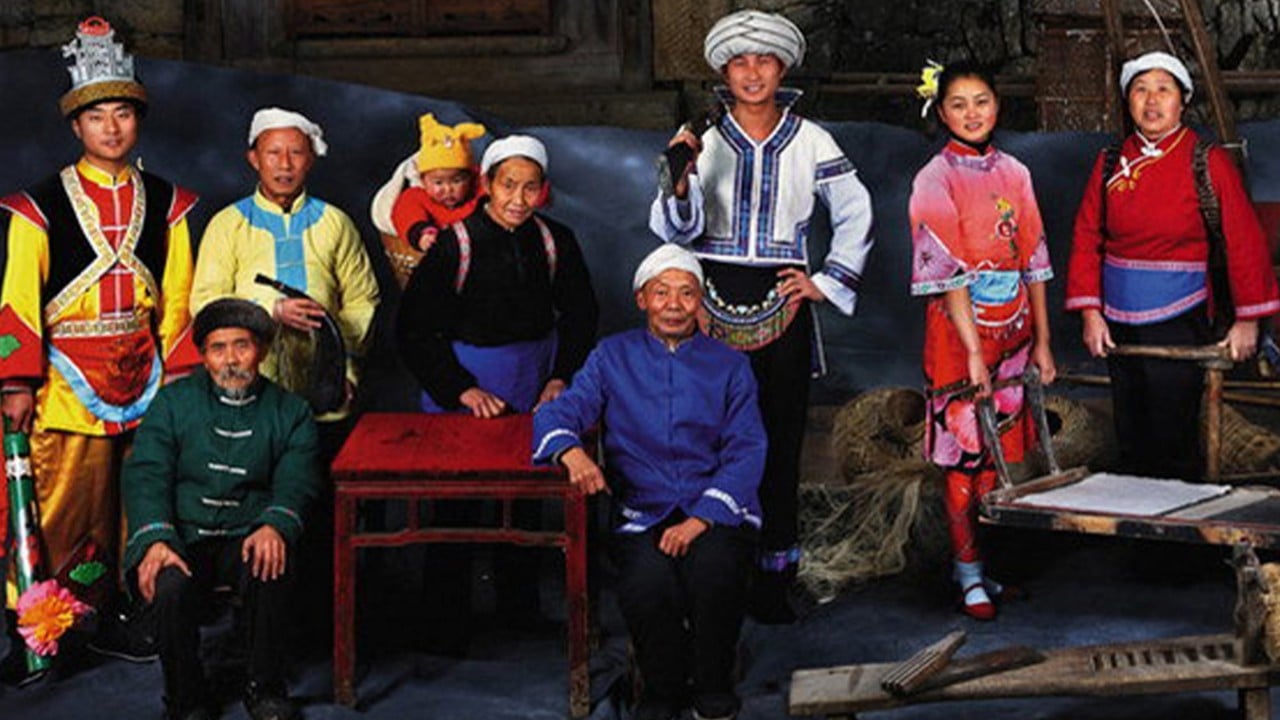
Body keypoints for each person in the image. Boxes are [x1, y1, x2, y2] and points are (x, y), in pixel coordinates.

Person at [648, 9, 874, 622]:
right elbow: (672, 230)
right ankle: (708, 571)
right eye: (740, 62)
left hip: (783, 303)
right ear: (723, 72)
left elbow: (855, 210)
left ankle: (772, 578)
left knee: (776, 440)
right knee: (702, 436)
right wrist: (680, 180)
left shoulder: (811, 139)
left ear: (783, 69)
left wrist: (825, 281)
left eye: (765, 61)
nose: (752, 73)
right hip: (708, 301)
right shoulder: (702, 138)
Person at [0, 16, 199, 653]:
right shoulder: (36, 207)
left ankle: (128, 615)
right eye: (96, 117)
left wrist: (181, 377)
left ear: (138, 120)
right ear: (76, 126)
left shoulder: (170, 204)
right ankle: (48, 626)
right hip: (64, 382)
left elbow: (179, 302)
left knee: (139, 503)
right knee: (63, 508)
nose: (111, 128)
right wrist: (16, 381)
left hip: (146, 378)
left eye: (122, 114)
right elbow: (17, 302)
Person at [533, 244, 765, 720]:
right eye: (662, 293)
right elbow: (558, 413)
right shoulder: (611, 356)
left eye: (687, 293)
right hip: (642, 508)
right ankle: (662, 688)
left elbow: (747, 449)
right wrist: (573, 454)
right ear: (642, 299)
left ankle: (713, 681)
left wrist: (699, 521)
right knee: (647, 582)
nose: (674, 305)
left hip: (713, 507)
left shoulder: (731, 365)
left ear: (701, 301)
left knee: (714, 572)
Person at [1065, 51, 1280, 480]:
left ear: (1182, 101)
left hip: (1180, 311)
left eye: (1163, 90)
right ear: (1127, 101)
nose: (1151, 101)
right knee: (1131, 427)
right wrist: (1090, 313)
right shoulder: (1109, 162)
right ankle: (1137, 514)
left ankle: (1177, 518)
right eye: (1140, 90)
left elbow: (1244, 239)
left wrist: (1247, 320)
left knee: (1173, 430)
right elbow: (1087, 236)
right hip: (1116, 318)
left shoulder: (1206, 160)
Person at [122, 298, 319, 720]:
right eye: (218, 348)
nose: (230, 359)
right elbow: (146, 474)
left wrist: (274, 525)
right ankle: (185, 698)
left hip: (248, 533)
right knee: (168, 586)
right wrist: (156, 540)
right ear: (203, 355)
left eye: (241, 346)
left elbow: (297, 480)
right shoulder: (172, 403)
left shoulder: (292, 412)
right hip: (183, 536)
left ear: (261, 350)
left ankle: (265, 688)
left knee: (272, 563)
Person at [909, 60, 1056, 620]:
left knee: (997, 460)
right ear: (941, 113)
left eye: (981, 101)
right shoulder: (934, 178)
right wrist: (972, 351)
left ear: (998, 105)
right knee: (963, 463)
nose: (972, 114)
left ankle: (981, 566)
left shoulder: (1016, 171)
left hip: (1014, 331)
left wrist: (1043, 341)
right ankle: (967, 573)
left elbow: (1034, 257)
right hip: (959, 335)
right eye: (958, 104)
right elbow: (946, 273)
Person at [190, 107, 380, 452]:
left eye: (296, 153)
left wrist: (345, 373)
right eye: (273, 153)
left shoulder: (336, 223)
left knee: (319, 476)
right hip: (248, 388)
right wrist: (268, 311)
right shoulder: (227, 224)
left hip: (324, 394)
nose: (285, 164)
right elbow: (206, 303)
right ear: (254, 159)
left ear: (311, 159)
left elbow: (361, 301)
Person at [397, 134, 598, 416]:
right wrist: (460, 388)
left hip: (539, 376)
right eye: (508, 185)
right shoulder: (454, 244)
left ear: (542, 189)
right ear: (487, 184)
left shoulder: (557, 240)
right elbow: (413, 329)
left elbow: (581, 313)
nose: (519, 200)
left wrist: (561, 376)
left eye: (530, 188)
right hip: (468, 378)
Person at [370, 113, 487, 286]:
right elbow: (406, 214)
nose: (448, 189)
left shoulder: (478, 192)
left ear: (470, 178)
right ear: (423, 180)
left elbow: (496, 198)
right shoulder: (418, 196)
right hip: (436, 258)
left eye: (457, 181)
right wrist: (423, 233)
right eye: (438, 182)